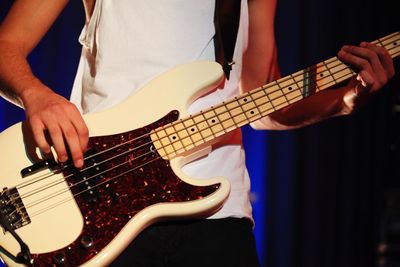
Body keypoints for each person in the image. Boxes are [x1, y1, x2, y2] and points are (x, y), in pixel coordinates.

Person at [0, 0, 395, 266]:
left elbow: (261, 104)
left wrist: (343, 101)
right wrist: (38, 95)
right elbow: (6, 44)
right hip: (98, 195)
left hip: (217, 213)